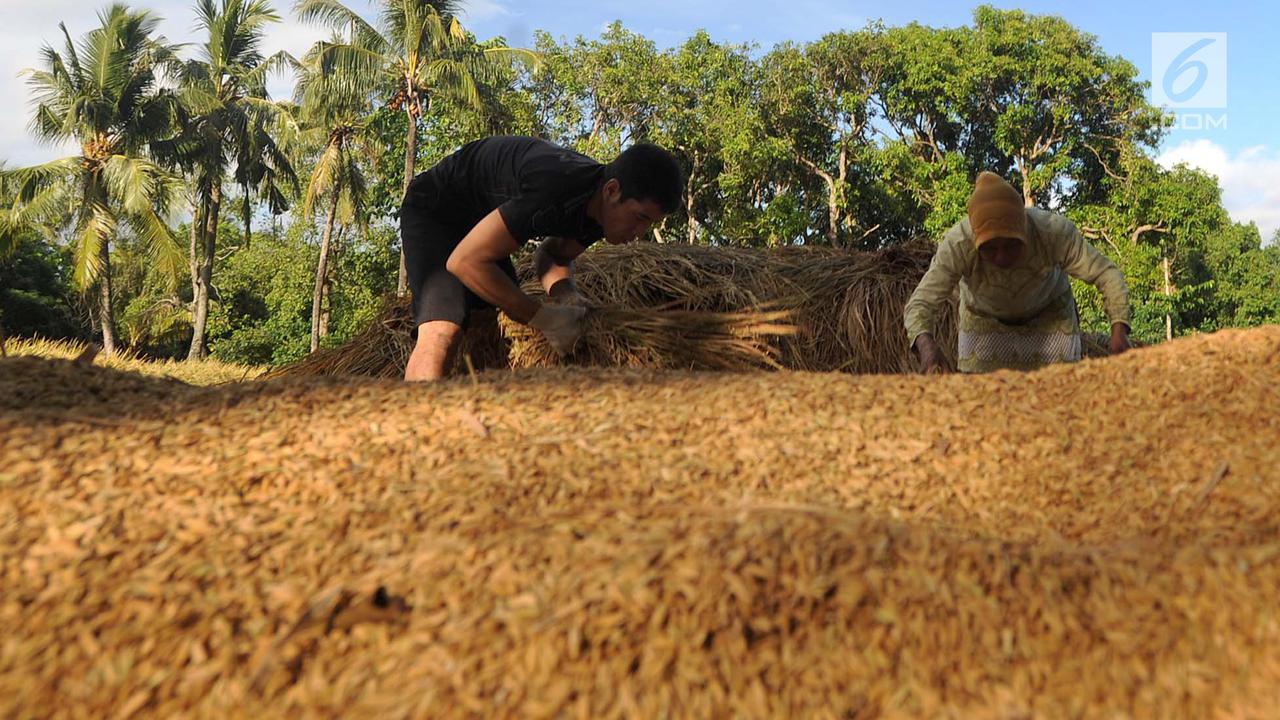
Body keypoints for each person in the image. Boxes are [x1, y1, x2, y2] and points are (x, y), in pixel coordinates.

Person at [399, 136, 683, 381]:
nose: (639, 233)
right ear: (612, 190)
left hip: (481, 222)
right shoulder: (558, 188)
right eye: (640, 217)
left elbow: (554, 254)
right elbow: (465, 262)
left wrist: (567, 295)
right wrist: (544, 318)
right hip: (437, 209)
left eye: (649, 224)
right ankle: (419, 435)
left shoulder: (598, 213)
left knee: (495, 332)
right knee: (442, 330)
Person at [904, 171, 1132, 374]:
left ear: (1024, 229)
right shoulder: (958, 244)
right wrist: (928, 348)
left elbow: (1107, 274)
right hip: (985, 321)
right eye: (990, 249)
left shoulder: (1053, 233)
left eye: (1012, 246)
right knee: (985, 404)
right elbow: (920, 304)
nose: (1001, 257)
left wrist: (1119, 330)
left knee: (1057, 400)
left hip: (1050, 318)